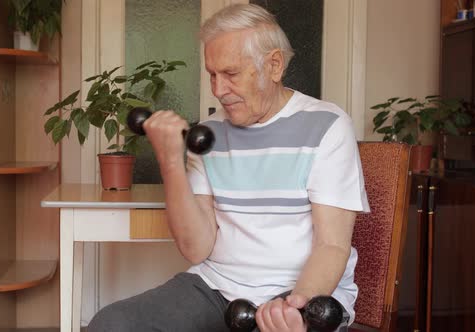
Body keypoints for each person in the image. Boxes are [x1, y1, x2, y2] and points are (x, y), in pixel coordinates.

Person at [88, 4, 369, 332]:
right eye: (212, 74)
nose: (218, 90)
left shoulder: (328, 126)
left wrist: (296, 304)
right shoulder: (207, 135)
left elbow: (331, 245)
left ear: (274, 65)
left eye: (231, 74)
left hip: (299, 291)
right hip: (215, 287)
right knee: (112, 324)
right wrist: (170, 162)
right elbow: (197, 247)